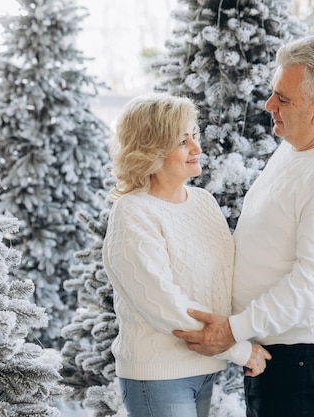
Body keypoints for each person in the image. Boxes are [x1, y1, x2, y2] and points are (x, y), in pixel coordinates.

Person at [172, 35, 314, 417]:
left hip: (304, 364)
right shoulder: (298, 146)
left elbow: (311, 282)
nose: (269, 106)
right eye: (273, 93)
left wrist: (234, 329)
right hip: (278, 354)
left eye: (283, 98)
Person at [102, 93, 272, 417]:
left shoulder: (203, 202)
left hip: (205, 366)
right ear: (152, 149)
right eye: (183, 141)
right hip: (159, 375)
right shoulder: (133, 212)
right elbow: (163, 302)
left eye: (195, 135)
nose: (197, 148)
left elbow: (227, 278)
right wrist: (239, 349)